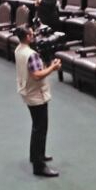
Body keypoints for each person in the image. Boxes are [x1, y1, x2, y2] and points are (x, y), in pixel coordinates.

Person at [14, 26, 61, 178]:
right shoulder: (31, 54)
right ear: (27, 36)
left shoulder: (18, 49)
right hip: (36, 94)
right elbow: (37, 75)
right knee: (40, 129)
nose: (34, 35)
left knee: (37, 127)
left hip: (26, 91)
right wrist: (53, 68)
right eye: (31, 33)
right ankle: (39, 166)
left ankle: (36, 155)